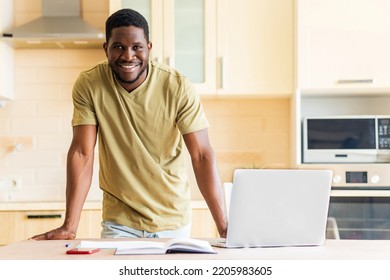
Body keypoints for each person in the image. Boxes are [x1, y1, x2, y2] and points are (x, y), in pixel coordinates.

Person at [31, 8, 227, 240]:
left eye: (137, 47)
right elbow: (82, 153)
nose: (128, 56)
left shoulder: (177, 87)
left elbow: (202, 155)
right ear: (106, 49)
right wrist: (69, 226)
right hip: (119, 222)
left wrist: (224, 227)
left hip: (172, 219)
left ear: (149, 48)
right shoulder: (90, 84)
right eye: (118, 47)